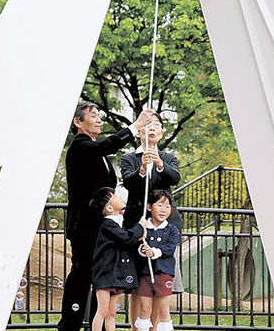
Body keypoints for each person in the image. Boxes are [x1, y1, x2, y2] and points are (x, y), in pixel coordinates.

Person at [58, 101, 153, 331]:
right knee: (82, 274)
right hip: (85, 226)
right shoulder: (80, 146)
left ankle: (96, 325)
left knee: (100, 277)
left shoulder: (95, 150)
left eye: (99, 115)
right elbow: (107, 146)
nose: (99, 120)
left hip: (100, 225)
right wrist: (135, 126)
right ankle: (69, 326)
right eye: (93, 115)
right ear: (78, 122)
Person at [121, 114, 183, 331]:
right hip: (137, 225)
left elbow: (174, 178)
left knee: (160, 281)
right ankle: (136, 328)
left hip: (163, 228)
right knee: (139, 284)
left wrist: (158, 163)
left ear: (162, 132)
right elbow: (128, 182)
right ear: (140, 131)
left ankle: (156, 328)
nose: (152, 128)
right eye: (147, 125)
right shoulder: (129, 158)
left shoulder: (168, 158)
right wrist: (141, 169)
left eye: (156, 125)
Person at [90, 187, 147, 331]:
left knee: (111, 313)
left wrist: (138, 234)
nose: (118, 196)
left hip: (114, 274)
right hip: (104, 275)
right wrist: (140, 227)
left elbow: (126, 239)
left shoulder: (117, 223)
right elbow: (126, 238)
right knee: (102, 311)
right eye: (114, 196)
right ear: (109, 208)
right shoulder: (107, 224)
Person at [134, 190, 179, 331]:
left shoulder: (172, 229)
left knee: (163, 311)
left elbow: (170, 248)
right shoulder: (143, 228)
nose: (163, 210)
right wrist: (142, 249)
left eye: (167, 206)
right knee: (144, 310)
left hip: (163, 273)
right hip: (145, 273)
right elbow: (135, 245)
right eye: (159, 205)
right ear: (149, 207)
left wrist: (154, 252)